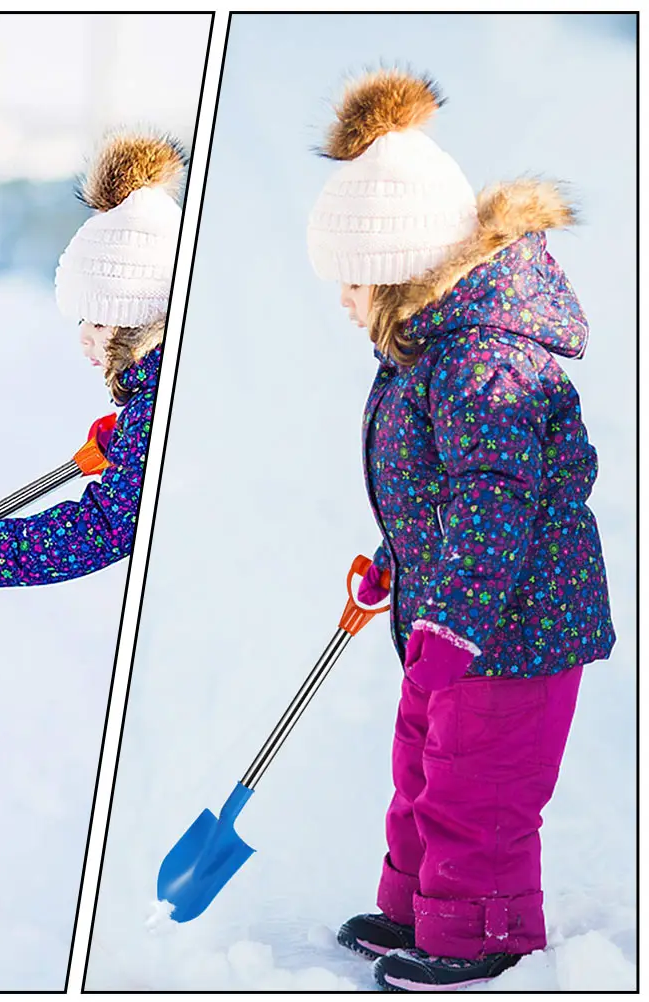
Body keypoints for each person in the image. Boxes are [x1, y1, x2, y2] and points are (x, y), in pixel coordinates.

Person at [306, 69, 615, 992]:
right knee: (425, 770)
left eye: (351, 282)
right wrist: (399, 565)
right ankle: (417, 911)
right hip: (457, 620)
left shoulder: (483, 360)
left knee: (478, 795)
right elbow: (442, 497)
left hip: (514, 630)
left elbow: (494, 501)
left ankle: (482, 931)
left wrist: (452, 618)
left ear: (397, 270)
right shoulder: (430, 353)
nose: (343, 301)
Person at [0, 131, 184, 585]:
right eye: (81, 322)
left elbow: (106, 528)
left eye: (102, 322)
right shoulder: (160, 391)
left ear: (145, 325)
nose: (85, 340)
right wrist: (127, 442)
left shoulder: (154, 405)